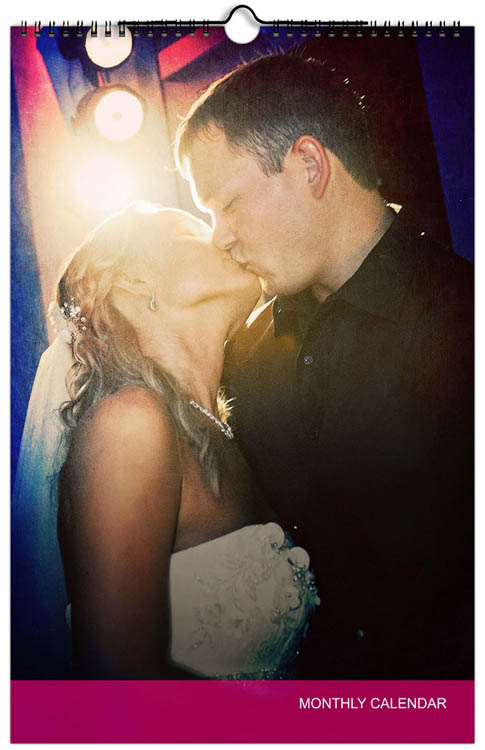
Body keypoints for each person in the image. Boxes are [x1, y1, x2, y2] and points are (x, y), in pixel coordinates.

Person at [174, 54, 474, 679]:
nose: (219, 237)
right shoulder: (243, 352)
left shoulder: (464, 320)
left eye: (227, 203)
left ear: (310, 165)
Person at [14, 202, 319, 680]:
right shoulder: (130, 424)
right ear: (136, 281)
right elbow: (119, 694)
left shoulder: (221, 432)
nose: (224, 238)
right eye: (192, 228)